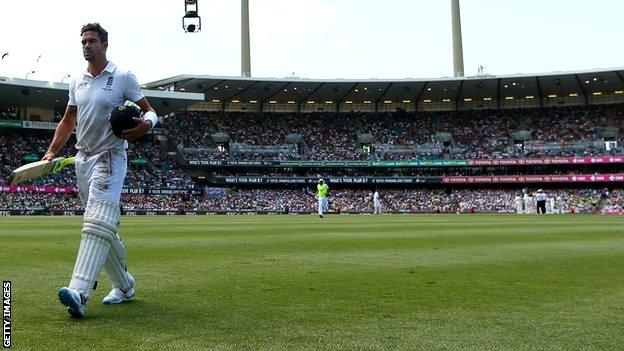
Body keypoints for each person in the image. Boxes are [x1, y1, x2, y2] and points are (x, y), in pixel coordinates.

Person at [43, 23, 158, 318]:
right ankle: (124, 285)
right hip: (83, 159)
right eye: (83, 41)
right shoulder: (76, 82)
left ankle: (79, 291)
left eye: (92, 40)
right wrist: (52, 151)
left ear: (105, 44)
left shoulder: (122, 77)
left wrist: (147, 125)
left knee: (96, 224)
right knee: (104, 227)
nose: (86, 45)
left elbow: (149, 110)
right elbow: (69, 120)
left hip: (111, 156)